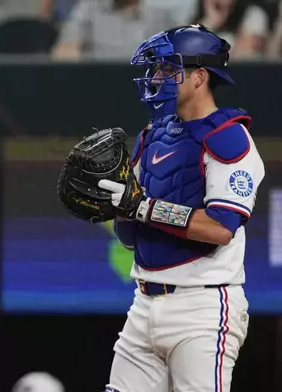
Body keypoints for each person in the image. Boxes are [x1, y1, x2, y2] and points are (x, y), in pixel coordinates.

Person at [97, 24, 265, 392]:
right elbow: (131, 232)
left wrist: (142, 207)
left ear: (200, 76)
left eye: (166, 68)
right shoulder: (152, 135)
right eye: (156, 68)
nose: (156, 77)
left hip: (203, 308)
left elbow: (221, 227)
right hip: (143, 301)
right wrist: (113, 205)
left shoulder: (228, 138)